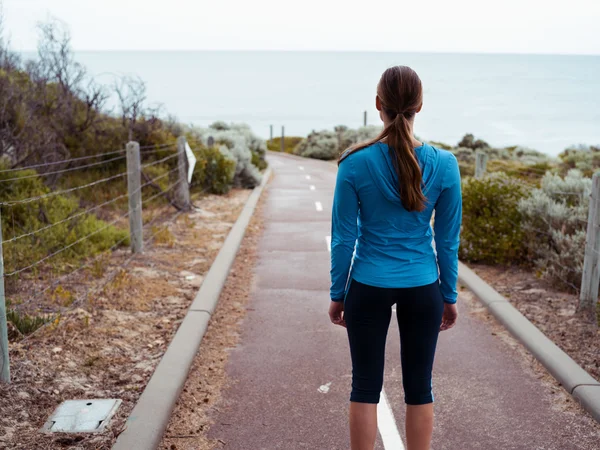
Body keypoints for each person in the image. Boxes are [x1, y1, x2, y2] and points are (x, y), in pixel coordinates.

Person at [328, 65, 462, 450]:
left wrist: (338, 293)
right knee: (420, 386)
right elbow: (447, 241)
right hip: (423, 287)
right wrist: (448, 296)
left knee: (365, 386)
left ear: (378, 105)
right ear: (420, 105)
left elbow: (343, 239)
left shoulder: (354, 163)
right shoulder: (445, 164)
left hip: (367, 287)